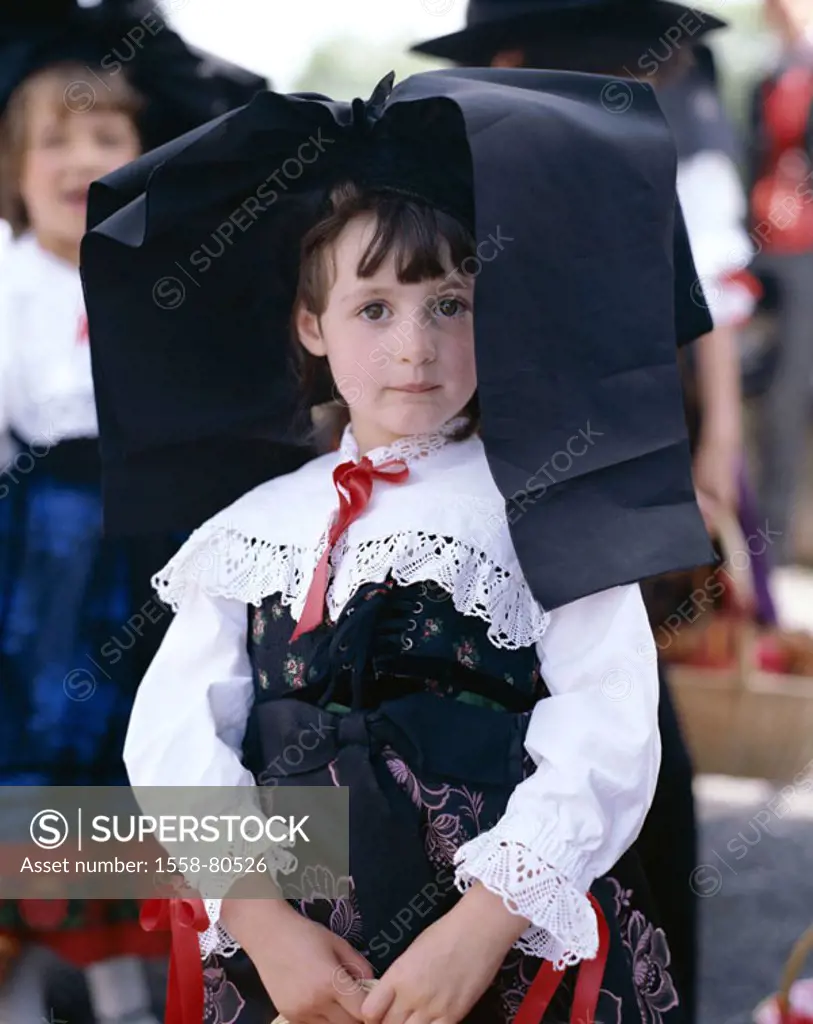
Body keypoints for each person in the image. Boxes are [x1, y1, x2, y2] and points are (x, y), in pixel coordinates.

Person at [82, 68, 715, 1024]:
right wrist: (262, 926)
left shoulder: (543, 497)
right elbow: (173, 737)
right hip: (301, 961)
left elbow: (608, 727)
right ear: (312, 326)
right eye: (374, 309)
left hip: (493, 961)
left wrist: (481, 930)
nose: (414, 346)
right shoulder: (256, 523)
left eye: (450, 305)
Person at [412, 7, 758, 1020]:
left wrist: (706, 464)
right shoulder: (438, 166)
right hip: (467, 501)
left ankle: (642, 985)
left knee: (622, 745)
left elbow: (692, 326)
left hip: (595, 505)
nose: (625, 78)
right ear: (512, 59)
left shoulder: (632, 162)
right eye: (601, 59)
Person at [0, 1, 267, 1021]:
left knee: (139, 743)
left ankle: (120, 965)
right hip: (46, 551)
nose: (78, 160)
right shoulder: (9, 279)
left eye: (105, 138)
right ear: (16, 170)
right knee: (42, 745)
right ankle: (26, 963)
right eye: (53, 141)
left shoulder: (168, 276)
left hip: (152, 534)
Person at [748, 0, 813, 566]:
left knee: (790, 398)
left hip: (806, 256)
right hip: (766, 250)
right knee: (763, 397)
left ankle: (776, 548)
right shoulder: (769, 77)